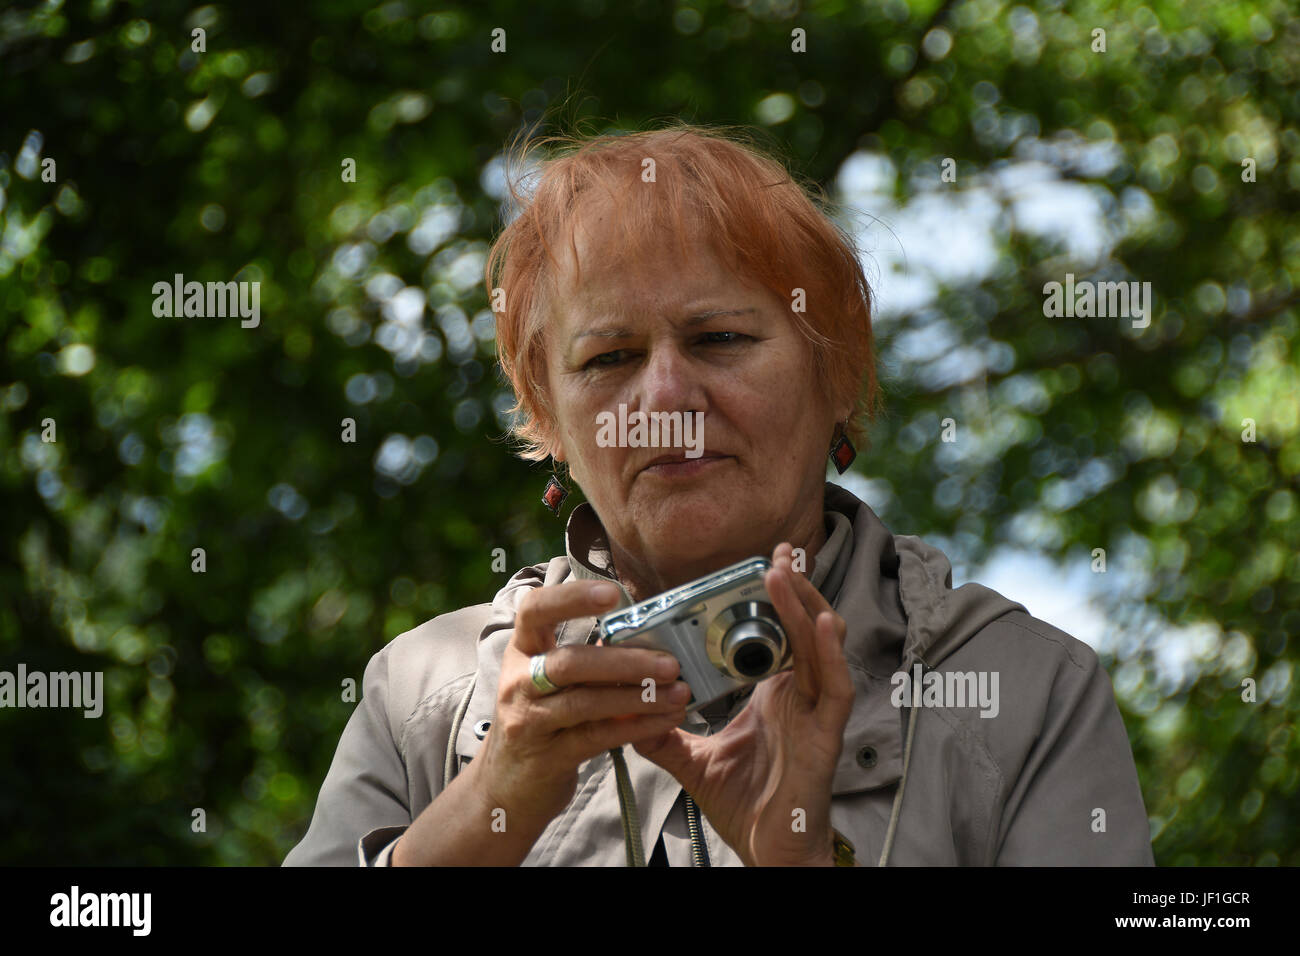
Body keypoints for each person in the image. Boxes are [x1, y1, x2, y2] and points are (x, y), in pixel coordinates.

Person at [283, 122, 1155, 867]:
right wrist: (478, 818)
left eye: (721, 338)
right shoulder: (424, 696)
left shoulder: (1022, 690)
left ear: (838, 377)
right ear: (548, 419)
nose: (664, 400)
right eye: (609, 359)